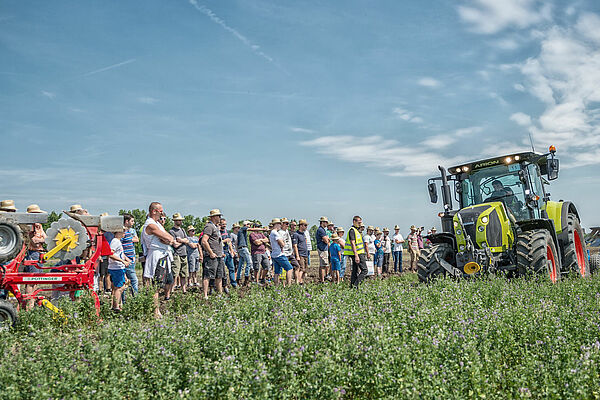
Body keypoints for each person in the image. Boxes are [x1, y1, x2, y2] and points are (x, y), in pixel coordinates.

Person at [142, 202, 176, 318]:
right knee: (155, 285)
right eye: (160, 210)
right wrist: (167, 239)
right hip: (156, 255)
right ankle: (155, 312)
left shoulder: (158, 224)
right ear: (154, 211)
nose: (162, 212)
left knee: (164, 282)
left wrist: (168, 239)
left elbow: (168, 238)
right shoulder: (150, 224)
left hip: (163, 254)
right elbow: (168, 238)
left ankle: (156, 309)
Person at [22, 204, 47, 310]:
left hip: (39, 253)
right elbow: (35, 241)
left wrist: (43, 239)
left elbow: (46, 238)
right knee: (31, 280)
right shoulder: (30, 227)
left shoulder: (39, 226)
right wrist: (43, 240)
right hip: (33, 253)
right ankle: (29, 305)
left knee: (36, 280)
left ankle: (31, 303)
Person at [201, 209, 225, 299]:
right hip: (212, 256)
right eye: (218, 216)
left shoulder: (215, 227)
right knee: (207, 276)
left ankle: (220, 294)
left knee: (219, 276)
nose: (220, 218)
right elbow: (204, 241)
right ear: (214, 217)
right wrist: (211, 252)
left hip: (218, 255)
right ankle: (205, 295)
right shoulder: (209, 227)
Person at [107, 228, 131, 312]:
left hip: (116, 267)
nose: (125, 233)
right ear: (118, 232)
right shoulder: (115, 241)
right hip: (117, 267)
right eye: (123, 231)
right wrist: (123, 261)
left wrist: (126, 259)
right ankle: (115, 307)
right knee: (119, 288)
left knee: (116, 287)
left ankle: (115, 305)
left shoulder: (117, 241)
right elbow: (110, 254)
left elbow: (120, 253)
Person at [169, 213, 190, 295]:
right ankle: (172, 289)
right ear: (175, 221)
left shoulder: (183, 230)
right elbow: (175, 244)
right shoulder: (171, 231)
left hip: (184, 254)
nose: (180, 221)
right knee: (175, 273)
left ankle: (184, 289)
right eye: (178, 220)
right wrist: (183, 241)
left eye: (180, 220)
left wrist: (181, 240)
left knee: (184, 273)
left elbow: (187, 240)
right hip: (176, 254)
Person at [345, 216, 368, 288]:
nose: (360, 224)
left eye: (361, 222)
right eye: (359, 222)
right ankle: (356, 285)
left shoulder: (357, 230)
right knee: (364, 270)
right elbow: (352, 243)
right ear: (354, 222)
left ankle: (352, 287)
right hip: (357, 254)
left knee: (355, 270)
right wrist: (356, 255)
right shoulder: (352, 231)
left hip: (358, 253)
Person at [269, 218, 293, 287]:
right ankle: (289, 285)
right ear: (276, 224)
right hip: (279, 254)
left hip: (274, 254)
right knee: (289, 268)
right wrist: (283, 243)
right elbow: (282, 244)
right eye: (279, 224)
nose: (280, 225)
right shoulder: (275, 233)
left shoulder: (271, 233)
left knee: (277, 272)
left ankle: (276, 287)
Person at [121, 213, 139, 300]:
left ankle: (126, 300)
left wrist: (133, 257)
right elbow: (119, 248)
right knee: (133, 280)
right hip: (127, 260)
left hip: (131, 258)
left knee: (127, 281)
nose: (133, 223)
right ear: (126, 221)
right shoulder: (122, 233)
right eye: (132, 221)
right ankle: (135, 300)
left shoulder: (128, 232)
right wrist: (126, 258)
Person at [219, 218, 237, 291]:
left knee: (232, 268)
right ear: (220, 224)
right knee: (222, 270)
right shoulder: (218, 232)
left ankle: (234, 284)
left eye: (225, 224)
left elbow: (229, 242)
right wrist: (224, 241)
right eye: (223, 224)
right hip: (221, 252)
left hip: (227, 252)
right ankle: (224, 285)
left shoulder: (227, 232)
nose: (224, 225)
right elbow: (217, 242)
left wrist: (231, 251)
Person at [279, 218, 298, 283]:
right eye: (286, 224)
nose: (288, 225)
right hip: (284, 253)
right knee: (286, 269)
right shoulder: (280, 232)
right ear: (282, 224)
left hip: (290, 253)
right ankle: (286, 284)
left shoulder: (287, 231)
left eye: (288, 224)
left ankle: (295, 282)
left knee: (297, 266)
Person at [236, 221, 254, 287]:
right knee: (249, 262)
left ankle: (238, 279)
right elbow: (251, 229)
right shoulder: (243, 228)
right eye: (249, 225)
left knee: (241, 265)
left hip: (240, 249)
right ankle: (246, 278)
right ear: (246, 225)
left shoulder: (240, 231)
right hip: (243, 248)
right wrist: (263, 229)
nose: (250, 226)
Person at [292, 219, 309, 285]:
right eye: (305, 225)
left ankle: (301, 281)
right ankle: (299, 282)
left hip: (305, 254)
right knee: (301, 269)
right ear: (301, 226)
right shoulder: (296, 234)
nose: (306, 227)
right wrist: (297, 255)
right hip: (300, 254)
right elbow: (295, 245)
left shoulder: (303, 234)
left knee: (305, 270)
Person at [316, 216, 330, 283]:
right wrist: (327, 239)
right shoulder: (321, 230)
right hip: (322, 249)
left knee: (323, 265)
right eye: (326, 222)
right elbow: (326, 240)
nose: (327, 224)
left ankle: (322, 279)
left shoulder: (321, 230)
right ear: (322, 222)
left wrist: (326, 239)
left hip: (322, 248)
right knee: (323, 265)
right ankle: (322, 280)